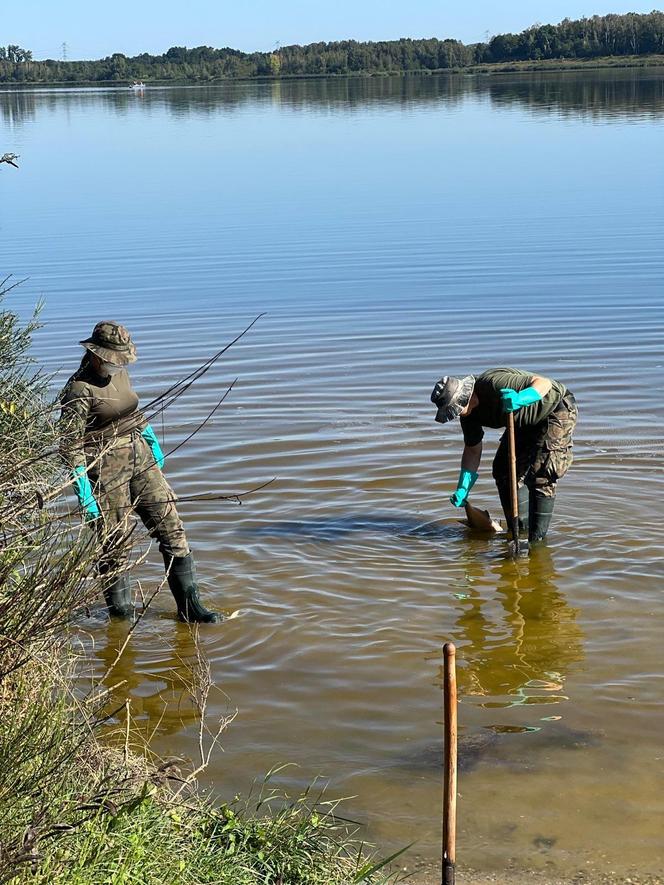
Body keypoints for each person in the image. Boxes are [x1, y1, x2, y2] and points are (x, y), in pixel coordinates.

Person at [59, 321, 220, 622]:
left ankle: (191, 609)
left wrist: (150, 438)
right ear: (95, 354)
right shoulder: (78, 389)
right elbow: (69, 445)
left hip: (140, 455)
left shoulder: (120, 374)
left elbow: (132, 410)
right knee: (115, 542)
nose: (116, 365)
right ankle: (121, 617)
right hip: (105, 465)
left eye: (120, 360)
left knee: (171, 526)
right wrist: (84, 491)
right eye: (112, 359)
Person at [430, 368, 577, 542]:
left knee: (542, 475)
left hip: (554, 409)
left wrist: (522, 398)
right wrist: (463, 487)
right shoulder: (468, 417)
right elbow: (472, 450)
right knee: (503, 470)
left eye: (454, 410)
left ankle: (537, 542)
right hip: (522, 422)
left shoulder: (493, 383)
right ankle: (519, 530)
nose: (455, 415)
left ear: (463, 399)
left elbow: (544, 383)